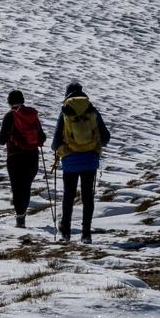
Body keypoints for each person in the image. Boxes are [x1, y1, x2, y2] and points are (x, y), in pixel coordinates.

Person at [51, 81, 111, 243]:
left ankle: (66, 232)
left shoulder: (65, 112)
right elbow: (106, 137)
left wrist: (59, 149)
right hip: (90, 159)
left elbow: (56, 142)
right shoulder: (92, 111)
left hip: (70, 160)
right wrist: (93, 145)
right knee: (87, 197)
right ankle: (86, 234)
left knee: (68, 196)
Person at [0, 89, 46, 227]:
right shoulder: (33, 115)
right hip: (32, 157)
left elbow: (2, 140)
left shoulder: (10, 116)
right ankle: (23, 215)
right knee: (26, 187)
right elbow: (42, 137)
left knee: (17, 188)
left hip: (15, 157)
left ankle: (20, 219)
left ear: (9, 102)